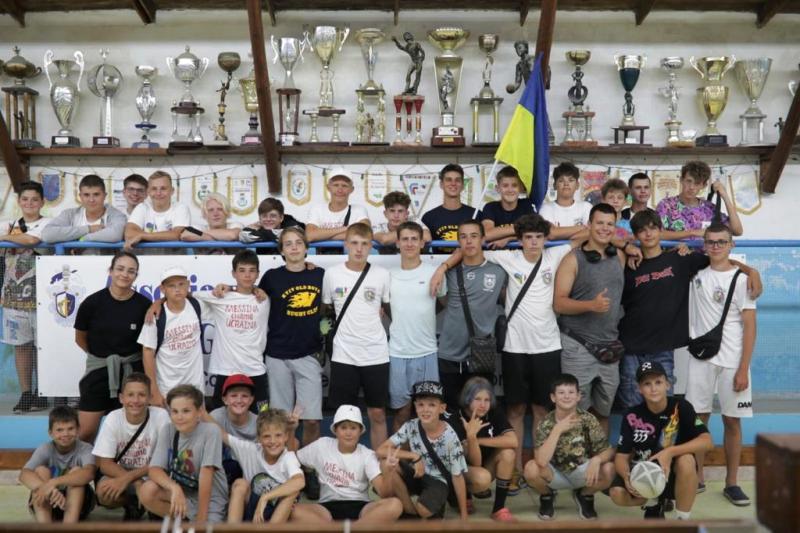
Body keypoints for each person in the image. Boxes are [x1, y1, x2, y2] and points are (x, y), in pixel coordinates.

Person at [432, 214, 572, 483]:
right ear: (520, 239)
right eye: (527, 237)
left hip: (547, 345)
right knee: (515, 410)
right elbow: (471, 247)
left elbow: (584, 234)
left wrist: (553, 232)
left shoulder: (554, 255)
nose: (533, 242)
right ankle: (515, 470)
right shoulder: (506, 257)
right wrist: (443, 267)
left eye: (539, 237)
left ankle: (539, 469)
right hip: (514, 346)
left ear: (545, 239)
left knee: (542, 411)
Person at [617, 210, 762, 411]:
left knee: (662, 407)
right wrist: (625, 249)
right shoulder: (628, 264)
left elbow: (720, 262)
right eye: (642, 230)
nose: (648, 234)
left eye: (652, 228)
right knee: (632, 406)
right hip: (630, 347)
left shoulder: (680, 259)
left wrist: (751, 271)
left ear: (661, 231)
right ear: (635, 235)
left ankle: (663, 435)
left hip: (663, 347)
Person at [685, 223, 756, 506]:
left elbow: (750, 326)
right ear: (704, 245)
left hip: (732, 361)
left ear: (731, 245)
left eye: (721, 242)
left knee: (731, 421)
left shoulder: (742, 280)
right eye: (711, 242)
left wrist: (743, 368)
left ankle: (732, 483)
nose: (716, 246)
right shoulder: (695, 274)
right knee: (698, 419)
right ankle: (698, 477)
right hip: (701, 359)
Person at [554, 203, 632, 433]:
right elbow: (559, 303)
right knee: (575, 412)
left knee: (604, 413)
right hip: (578, 346)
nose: (605, 228)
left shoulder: (619, 256)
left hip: (609, 346)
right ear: (589, 225)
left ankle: (599, 456)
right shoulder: (572, 259)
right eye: (599, 223)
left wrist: (627, 245)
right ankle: (576, 456)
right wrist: (591, 305)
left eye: (610, 224)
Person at [610, 362, 713, 519]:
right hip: (643, 472)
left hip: (672, 474)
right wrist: (627, 477)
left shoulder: (681, 406)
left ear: (667, 384)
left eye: (658, 382)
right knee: (617, 494)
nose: (653, 388)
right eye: (647, 384)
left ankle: (682, 519)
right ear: (639, 389)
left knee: (686, 460)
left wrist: (670, 452)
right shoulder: (632, 415)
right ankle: (652, 501)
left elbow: (707, 442)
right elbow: (621, 456)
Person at [322, 223, 391, 449]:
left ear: (371, 246)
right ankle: (343, 466)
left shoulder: (382, 274)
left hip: (376, 353)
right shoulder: (332, 274)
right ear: (346, 244)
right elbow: (326, 311)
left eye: (364, 244)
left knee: (377, 413)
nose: (359, 249)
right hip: (344, 354)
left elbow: (387, 308)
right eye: (354, 243)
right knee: (344, 416)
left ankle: (380, 465)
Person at [74, 251, 152, 442]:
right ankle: (85, 463)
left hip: (132, 375)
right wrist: (101, 358)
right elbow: (80, 338)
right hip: (99, 373)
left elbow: (149, 345)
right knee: (85, 433)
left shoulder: (144, 305)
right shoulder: (92, 303)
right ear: (110, 271)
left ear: (136, 276)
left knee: (129, 433)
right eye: (120, 269)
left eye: (131, 271)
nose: (125, 274)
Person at [258, 227, 324, 447]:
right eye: (288, 244)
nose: (294, 247)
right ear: (281, 250)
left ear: (306, 248)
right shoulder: (271, 277)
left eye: (298, 242)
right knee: (282, 421)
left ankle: (308, 462)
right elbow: (250, 295)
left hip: (308, 353)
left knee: (312, 420)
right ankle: (287, 462)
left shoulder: (320, 275)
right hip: (277, 355)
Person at [435, 220, 507, 408]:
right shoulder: (449, 272)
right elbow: (443, 302)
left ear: (483, 239)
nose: (469, 241)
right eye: (463, 237)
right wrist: (442, 268)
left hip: (481, 353)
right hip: (450, 352)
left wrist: (508, 238)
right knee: (451, 410)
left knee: (480, 411)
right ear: (458, 242)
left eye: (474, 236)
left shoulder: (498, 271)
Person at [524, 373, 614, 521]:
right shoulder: (545, 422)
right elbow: (541, 461)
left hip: (581, 472)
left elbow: (608, 450)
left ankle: (584, 495)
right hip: (554, 474)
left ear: (578, 396)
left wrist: (597, 459)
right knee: (531, 469)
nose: (566, 396)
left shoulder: (587, 419)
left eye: (571, 392)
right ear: (553, 397)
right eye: (561, 393)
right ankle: (547, 496)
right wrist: (557, 430)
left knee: (609, 469)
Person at [293, 405, 403, 524]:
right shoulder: (322, 445)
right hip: (326, 507)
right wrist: (291, 430)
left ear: (360, 431)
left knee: (395, 504)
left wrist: (388, 472)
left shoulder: (367, 454)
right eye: (343, 428)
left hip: (361, 506)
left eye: (353, 428)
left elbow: (384, 493)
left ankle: (343, 529)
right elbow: (292, 459)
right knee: (292, 509)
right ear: (335, 430)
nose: (348, 433)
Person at [378, 381, 468, 520]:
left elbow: (457, 476)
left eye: (432, 405)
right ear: (415, 406)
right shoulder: (411, 426)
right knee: (386, 463)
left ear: (442, 408)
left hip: (438, 481)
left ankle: (432, 505)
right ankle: (410, 512)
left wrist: (464, 515)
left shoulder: (450, 437)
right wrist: (414, 456)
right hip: (417, 473)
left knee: (424, 510)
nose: (425, 409)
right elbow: (381, 450)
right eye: (421, 404)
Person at [140, 385, 229, 523]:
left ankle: (194, 523)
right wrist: (174, 488)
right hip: (183, 495)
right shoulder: (168, 430)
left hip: (210, 500)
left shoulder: (211, 431)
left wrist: (201, 521)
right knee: (147, 490)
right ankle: (183, 522)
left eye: (186, 411)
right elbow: (154, 469)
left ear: (199, 412)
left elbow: (206, 475)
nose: (179, 417)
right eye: (174, 411)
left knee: (206, 527)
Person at [0, 181, 51, 413]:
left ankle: (42, 391)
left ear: (42, 202)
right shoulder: (9, 224)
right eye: (25, 199)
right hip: (13, 297)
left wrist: (7, 238)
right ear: (18, 201)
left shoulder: (48, 224)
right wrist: (11, 236)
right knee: (21, 347)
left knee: (42, 347)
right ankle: (26, 393)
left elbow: (32, 240)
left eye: (34, 199)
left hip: (42, 298)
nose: (29, 203)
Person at [388, 221, 444, 431]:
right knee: (401, 413)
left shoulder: (434, 272)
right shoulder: (388, 275)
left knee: (429, 415)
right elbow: (385, 306)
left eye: (414, 239)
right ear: (397, 243)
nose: (409, 243)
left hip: (427, 352)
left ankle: (427, 453)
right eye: (405, 239)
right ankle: (398, 453)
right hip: (397, 353)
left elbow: (443, 303)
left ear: (422, 243)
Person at [197, 250, 269, 411]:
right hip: (226, 369)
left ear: (258, 274)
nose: (247, 275)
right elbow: (185, 296)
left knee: (263, 415)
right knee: (219, 416)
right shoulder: (221, 297)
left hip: (255, 369)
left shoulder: (265, 298)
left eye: (252, 271)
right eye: (242, 270)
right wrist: (158, 302)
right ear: (233, 273)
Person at [91, 373, 170, 519]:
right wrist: (136, 482)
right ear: (121, 398)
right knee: (104, 492)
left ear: (150, 398)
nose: (135, 400)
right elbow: (105, 464)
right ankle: (132, 504)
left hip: (154, 476)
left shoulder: (161, 417)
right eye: (130, 395)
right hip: (123, 474)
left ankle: (152, 505)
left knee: (156, 488)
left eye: (142, 395)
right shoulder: (113, 418)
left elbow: (163, 461)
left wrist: (131, 478)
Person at [212, 408, 304, 524]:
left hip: (276, 513)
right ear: (259, 438)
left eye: (278, 435)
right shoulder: (250, 450)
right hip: (252, 508)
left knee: (292, 493)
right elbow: (222, 433)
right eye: (266, 436)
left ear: (286, 436)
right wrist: (201, 410)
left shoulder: (288, 457)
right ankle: (233, 529)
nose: (273, 441)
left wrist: (265, 497)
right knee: (240, 483)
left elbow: (300, 481)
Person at [445, 377, 518, 522]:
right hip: (458, 474)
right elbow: (475, 463)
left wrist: (477, 440)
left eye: (487, 400)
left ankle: (498, 509)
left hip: (482, 467)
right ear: (467, 399)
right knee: (482, 478)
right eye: (477, 399)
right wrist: (471, 437)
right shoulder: (456, 420)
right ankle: (461, 496)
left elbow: (513, 441)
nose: (483, 405)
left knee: (508, 453)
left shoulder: (494, 413)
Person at [138, 267, 204, 407]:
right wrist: (154, 391)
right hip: (167, 388)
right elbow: (148, 352)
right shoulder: (156, 316)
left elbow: (224, 296)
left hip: (196, 386)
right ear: (162, 289)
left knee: (197, 419)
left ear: (188, 285)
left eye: (181, 284)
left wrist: (252, 289)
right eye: (171, 286)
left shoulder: (197, 304)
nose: (177, 289)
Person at [19, 406, 96, 523]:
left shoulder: (85, 448)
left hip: (78, 506)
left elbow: (89, 473)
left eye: (70, 429)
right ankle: (45, 525)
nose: (65, 434)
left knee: (77, 472)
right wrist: (47, 488)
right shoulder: (45, 448)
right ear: (50, 433)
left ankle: (69, 526)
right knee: (41, 471)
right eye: (59, 430)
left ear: (78, 429)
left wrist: (53, 483)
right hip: (47, 501)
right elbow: (24, 474)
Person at [656, 160, 743, 240]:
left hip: (706, 252)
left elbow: (737, 231)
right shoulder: (666, 205)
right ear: (681, 180)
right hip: (676, 252)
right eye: (689, 181)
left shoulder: (709, 208)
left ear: (704, 186)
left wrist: (725, 195)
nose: (691, 187)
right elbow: (658, 234)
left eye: (697, 183)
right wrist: (692, 232)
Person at [42, 174, 127, 250]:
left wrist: (82, 239)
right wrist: (88, 229)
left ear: (104, 195)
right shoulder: (69, 214)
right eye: (86, 195)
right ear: (80, 196)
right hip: (73, 263)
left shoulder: (117, 215)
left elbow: (116, 235)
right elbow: (47, 235)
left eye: (96, 194)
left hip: (107, 263)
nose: (91, 200)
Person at [209, 374, 257, 489]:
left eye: (244, 396)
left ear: (251, 400)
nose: (239, 400)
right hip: (223, 470)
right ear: (225, 399)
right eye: (234, 396)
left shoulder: (259, 422)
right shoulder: (216, 416)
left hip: (250, 473)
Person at [124, 170, 192, 252]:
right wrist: (166, 235)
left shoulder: (181, 208)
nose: (158, 193)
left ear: (172, 191)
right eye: (154, 189)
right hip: (146, 259)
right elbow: (129, 234)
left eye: (163, 188)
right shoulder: (142, 207)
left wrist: (142, 236)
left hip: (175, 259)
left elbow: (177, 234)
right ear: (148, 192)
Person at [305, 168, 369, 249]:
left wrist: (321, 235)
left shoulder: (359, 210)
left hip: (350, 256)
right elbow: (309, 235)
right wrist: (345, 229)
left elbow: (365, 234)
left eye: (344, 186)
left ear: (352, 189)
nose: (340, 190)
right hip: (321, 257)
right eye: (336, 185)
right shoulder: (316, 209)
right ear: (328, 187)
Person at [479, 165, 536, 248]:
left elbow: (535, 231)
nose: (510, 190)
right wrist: (521, 229)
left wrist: (509, 239)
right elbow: (487, 234)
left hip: (522, 253)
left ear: (520, 188)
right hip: (496, 253)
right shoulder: (490, 207)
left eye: (514, 185)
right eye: (505, 186)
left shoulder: (526, 205)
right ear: (497, 188)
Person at [421, 163, 476, 246]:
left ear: (462, 185)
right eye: (448, 180)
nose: (453, 183)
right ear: (441, 184)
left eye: (457, 180)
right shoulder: (429, 217)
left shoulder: (476, 214)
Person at [538, 162, 592, 237]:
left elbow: (592, 232)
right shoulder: (546, 208)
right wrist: (582, 228)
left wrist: (558, 232)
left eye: (571, 180)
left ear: (577, 185)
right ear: (554, 185)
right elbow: (550, 233)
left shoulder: (586, 207)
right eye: (561, 180)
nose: (566, 184)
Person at [239, 197, 304, 255]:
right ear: (260, 219)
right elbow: (243, 235)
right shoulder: (258, 226)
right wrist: (272, 235)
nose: (268, 219)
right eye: (264, 216)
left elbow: (293, 234)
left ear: (281, 218)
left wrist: (260, 233)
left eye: (273, 216)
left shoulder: (290, 222)